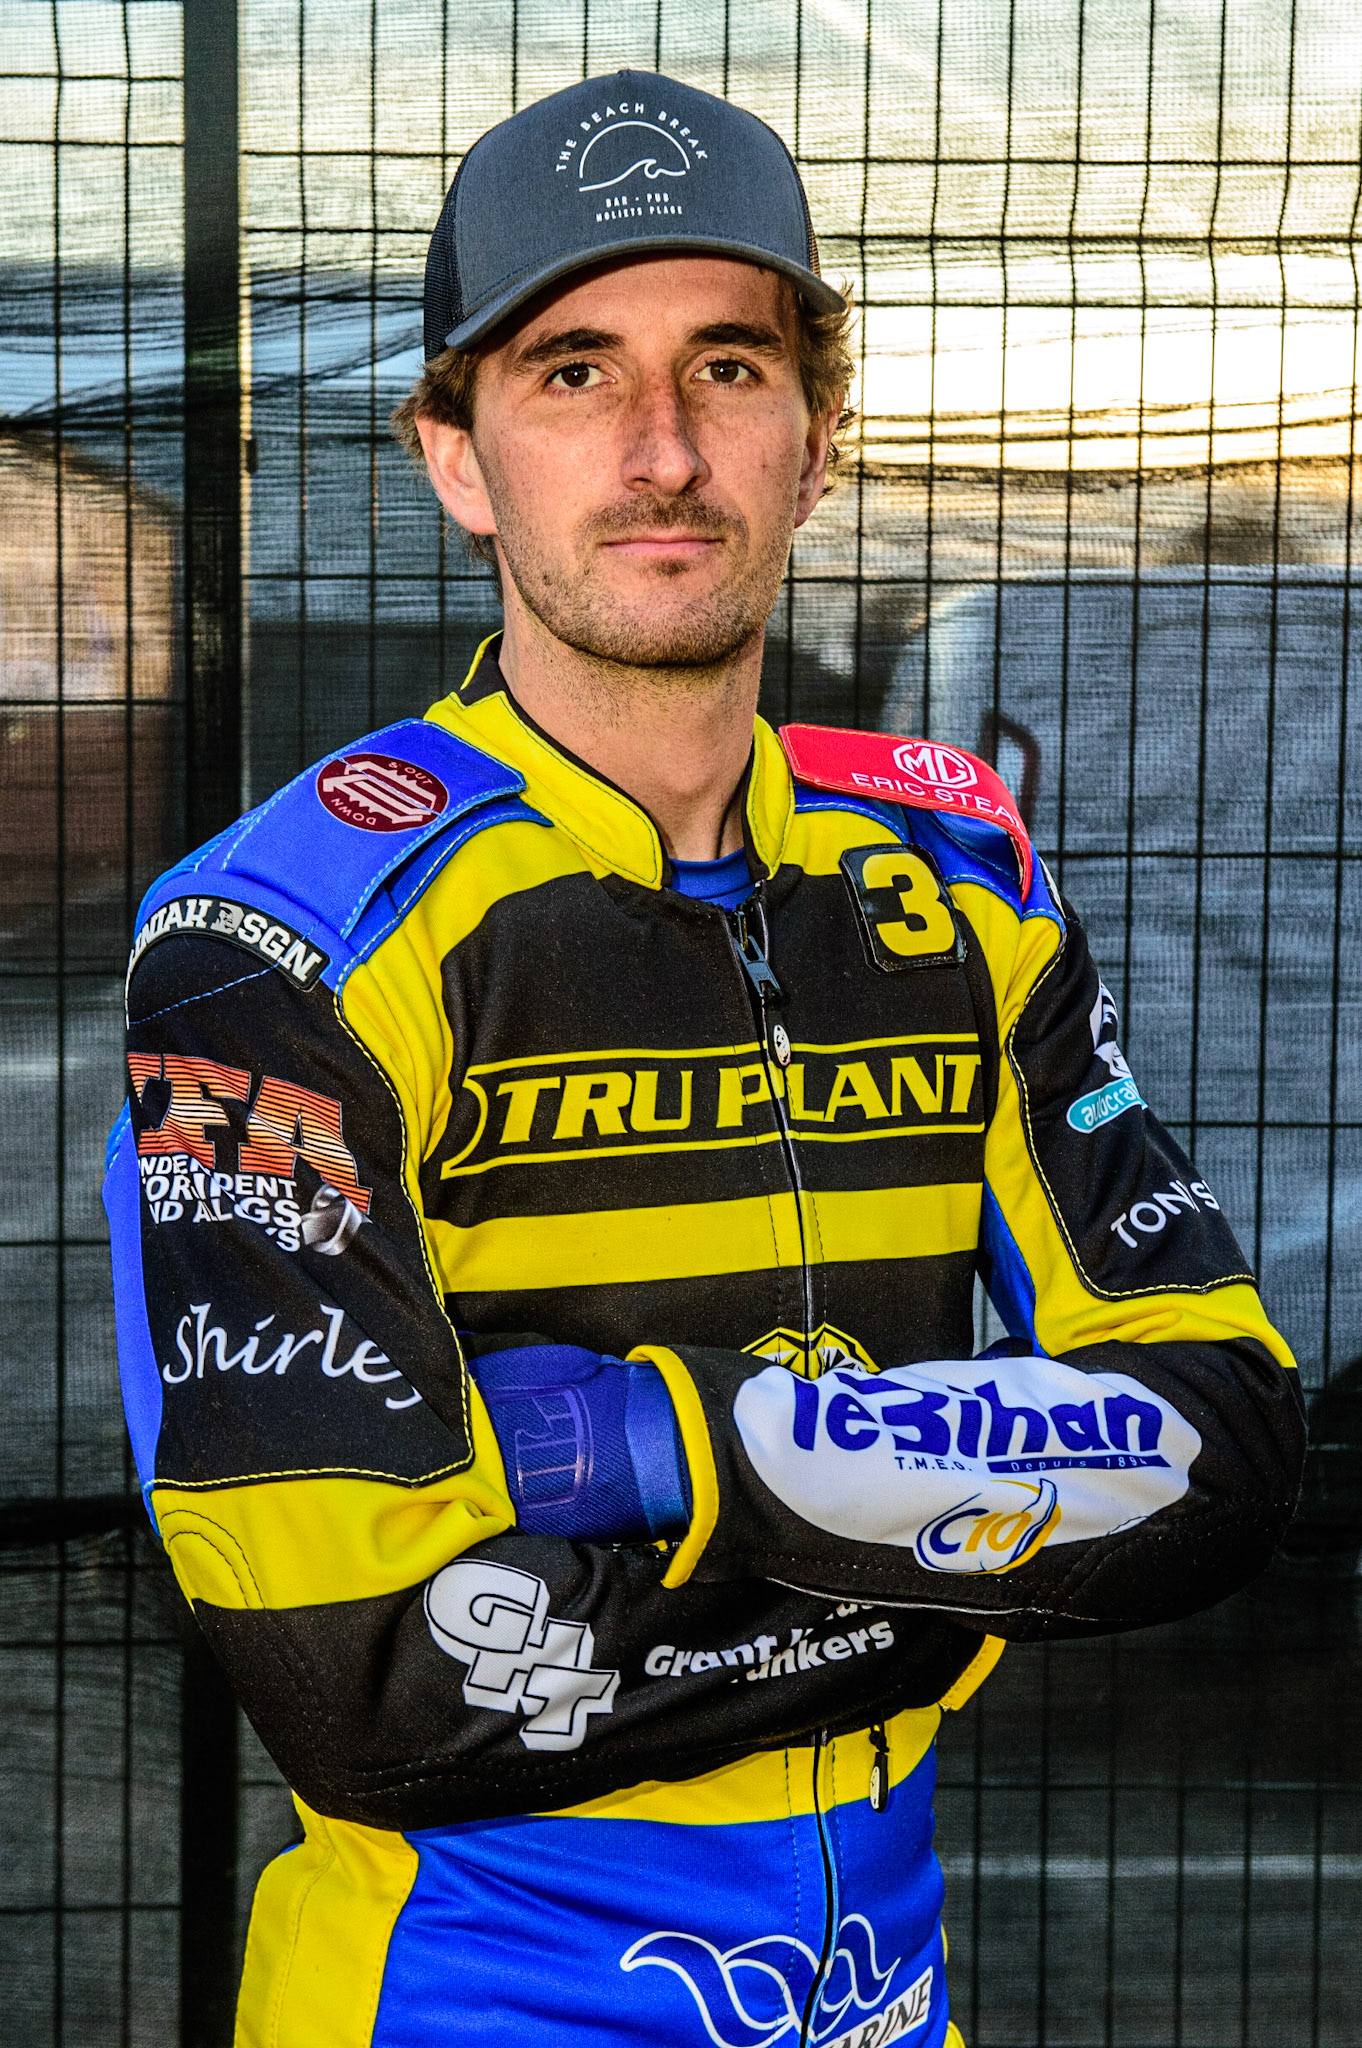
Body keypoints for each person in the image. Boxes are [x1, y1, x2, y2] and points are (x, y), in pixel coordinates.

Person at [104, 69, 1303, 2048]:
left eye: (728, 366)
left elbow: (1230, 1445)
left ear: (820, 437)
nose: (661, 450)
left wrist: (659, 1447)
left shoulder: (956, 880)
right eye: (573, 373)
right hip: (459, 2002)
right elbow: (375, 1691)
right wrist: (986, 1506)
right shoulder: (272, 944)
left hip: (876, 1996)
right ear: (457, 454)